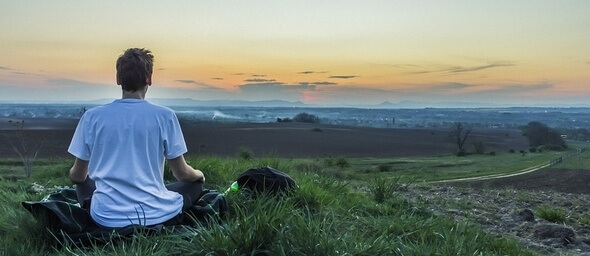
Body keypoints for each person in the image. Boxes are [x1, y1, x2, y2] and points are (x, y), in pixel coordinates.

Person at [68, 48, 205, 228]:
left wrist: (85, 178)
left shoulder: (92, 117)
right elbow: (182, 174)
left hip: (106, 218)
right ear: (149, 79)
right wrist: (199, 175)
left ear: (118, 79)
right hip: (157, 215)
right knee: (194, 185)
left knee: (83, 183)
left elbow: (77, 176)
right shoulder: (165, 116)